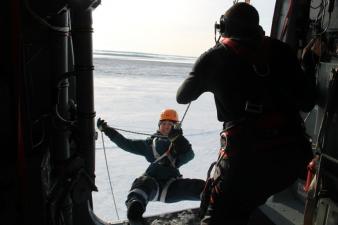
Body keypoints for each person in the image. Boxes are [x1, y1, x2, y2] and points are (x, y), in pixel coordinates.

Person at [176, 3, 317, 225]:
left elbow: (182, 97)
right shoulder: (282, 51)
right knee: (246, 202)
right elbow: (308, 102)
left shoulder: (214, 57)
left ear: (223, 26)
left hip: (246, 161)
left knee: (219, 215)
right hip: (291, 159)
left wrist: (207, 69)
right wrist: (308, 67)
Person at [97, 108, 205, 224]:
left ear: (176, 126)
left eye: (170, 124)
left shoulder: (178, 144)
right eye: (163, 123)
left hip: (172, 186)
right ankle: (135, 213)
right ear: (159, 125)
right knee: (141, 186)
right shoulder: (149, 145)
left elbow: (189, 155)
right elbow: (126, 143)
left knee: (199, 186)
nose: (166, 127)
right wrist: (108, 131)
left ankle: (216, 201)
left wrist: (179, 140)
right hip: (152, 184)